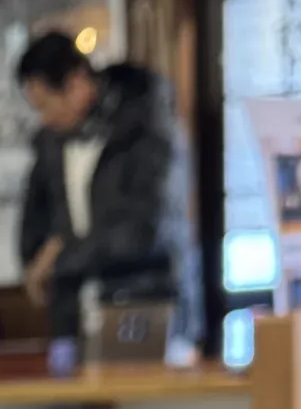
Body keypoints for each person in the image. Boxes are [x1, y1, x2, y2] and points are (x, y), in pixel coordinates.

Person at [17, 32, 192, 344]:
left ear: (76, 83)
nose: (44, 118)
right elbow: (38, 221)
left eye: (46, 104)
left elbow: (144, 231)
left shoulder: (149, 123)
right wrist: (38, 258)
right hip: (75, 315)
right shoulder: (50, 144)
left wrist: (61, 258)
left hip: (147, 302)